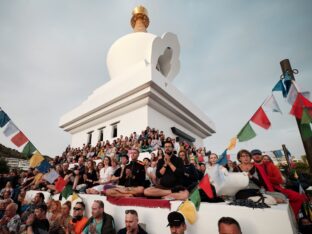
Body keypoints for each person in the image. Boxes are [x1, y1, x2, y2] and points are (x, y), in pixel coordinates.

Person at [251, 149, 307, 218]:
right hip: (261, 191)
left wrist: (265, 178)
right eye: (254, 154)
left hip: (276, 189)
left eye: (258, 154)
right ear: (252, 157)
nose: (256, 156)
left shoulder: (270, 165)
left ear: (261, 155)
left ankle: (293, 217)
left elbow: (279, 180)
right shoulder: (251, 166)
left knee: (299, 197)